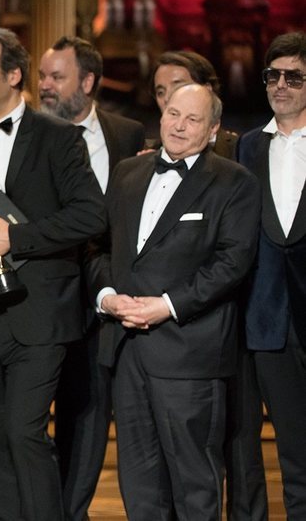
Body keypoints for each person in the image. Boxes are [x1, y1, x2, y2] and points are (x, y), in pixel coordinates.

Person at [0, 28, 105, 520]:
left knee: (24, 433)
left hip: (40, 315)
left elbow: (91, 215)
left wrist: (16, 239)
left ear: (14, 75)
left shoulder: (58, 137)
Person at [88, 83, 259, 520]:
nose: (179, 126)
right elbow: (99, 248)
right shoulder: (127, 173)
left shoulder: (235, 182)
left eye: (193, 119)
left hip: (190, 355)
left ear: (214, 128)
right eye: (173, 114)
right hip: (126, 352)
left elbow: (232, 263)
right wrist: (107, 296)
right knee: (140, 488)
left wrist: (166, 305)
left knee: (195, 487)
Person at [152, 49, 267, 521]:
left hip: (227, 319)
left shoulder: (238, 155)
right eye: (163, 95)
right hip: (169, 332)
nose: (172, 106)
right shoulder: (143, 163)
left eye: (181, 89)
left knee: (234, 444)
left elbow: (235, 252)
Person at [37, 35, 145, 521]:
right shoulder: (31, 133)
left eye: (56, 77)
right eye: (42, 76)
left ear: (87, 81)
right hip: (48, 297)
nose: (45, 85)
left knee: (93, 421)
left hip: (110, 302)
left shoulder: (127, 135)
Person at [239, 31, 306, 519]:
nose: (280, 85)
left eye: (294, 77)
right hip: (270, 324)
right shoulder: (247, 147)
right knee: (293, 454)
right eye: (273, 76)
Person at [150, 51, 239, 158]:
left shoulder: (240, 151)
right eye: (160, 92)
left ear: (207, 90)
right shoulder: (144, 153)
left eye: (178, 87)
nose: (167, 98)